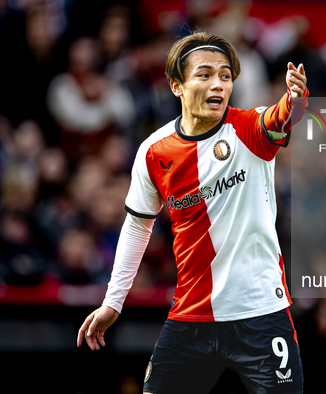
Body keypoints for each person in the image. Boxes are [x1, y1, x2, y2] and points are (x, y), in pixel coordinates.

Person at [76, 30, 309, 394]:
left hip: (261, 315)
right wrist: (113, 301)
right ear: (176, 86)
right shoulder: (154, 151)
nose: (218, 83)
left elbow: (279, 117)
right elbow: (138, 227)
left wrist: (296, 99)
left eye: (225, 75)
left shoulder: (249, 128)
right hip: (191, 319)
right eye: (205, 74)